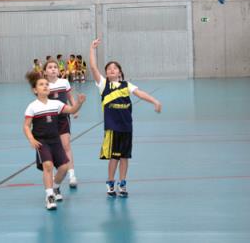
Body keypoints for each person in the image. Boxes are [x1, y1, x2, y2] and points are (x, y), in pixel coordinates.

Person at [89, 39, 162, 197]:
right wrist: (92, 49)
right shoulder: (103, 85)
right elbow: (93, 68)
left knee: (124, 157)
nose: (112, 70)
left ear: (120, 72)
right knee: (114, 157)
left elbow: (140, 94)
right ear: (106, 74)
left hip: (126, 127)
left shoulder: (126, 85)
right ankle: (110, 182)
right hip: (112, 127)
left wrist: (154, 101)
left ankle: (122, 183)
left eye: (115, 68)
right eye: (109, 69)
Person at [23, 71, 85, 210]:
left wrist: (79, 103)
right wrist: (31, 139)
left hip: (55, 140)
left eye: (46, 84)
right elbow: (26, 126)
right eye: (41, 84)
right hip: (42, 141)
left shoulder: (56, 104)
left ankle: (56, 186)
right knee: (48, 166)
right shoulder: (32, 106)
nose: (45, 86)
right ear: (35, 90)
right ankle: (49, 195)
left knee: (63, 168)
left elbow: (72, 109)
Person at [43, 60, 79, 188]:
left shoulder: (64, 82)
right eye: (50, 67)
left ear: (58, 70)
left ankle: (72, 174)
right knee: (51, 148)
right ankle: (53, 175)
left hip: (63, 118)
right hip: (49, 120)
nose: (53, 69)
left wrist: (74, 108)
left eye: (55, 67)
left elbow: (70, 96)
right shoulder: (44, 85)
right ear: (45, 71)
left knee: (66, 145)